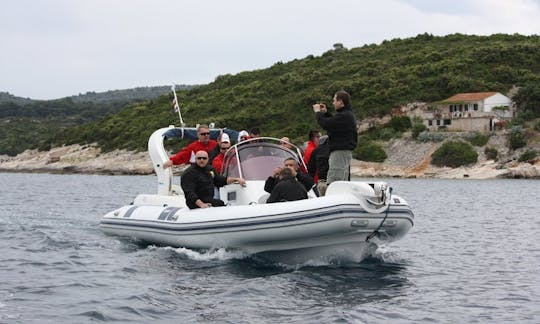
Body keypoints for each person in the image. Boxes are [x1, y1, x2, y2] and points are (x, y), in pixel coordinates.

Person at [312, 91, 357, 184]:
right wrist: (325, 113)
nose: (333, 103)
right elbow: (334, 124)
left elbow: (326, 124)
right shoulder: (346, 114)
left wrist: (318, 113)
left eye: (334, 100)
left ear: (340, 102)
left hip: (339, 151)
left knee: (335, 179)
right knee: (341, 178)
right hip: (343, 151)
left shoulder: (344, 115)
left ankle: (334, 197)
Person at [181, 150, 246, 209]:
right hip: (195, 203)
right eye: (199, 158)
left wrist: (236, 179)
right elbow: (189, 193)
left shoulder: (210, 169)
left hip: (208, 200)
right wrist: (201, 205)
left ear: (208, 159)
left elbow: (220, 180)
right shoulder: (189, 173)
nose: (201, 160)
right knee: (219, 204)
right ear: (195, 159)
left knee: (221, 203)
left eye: (204, 158)